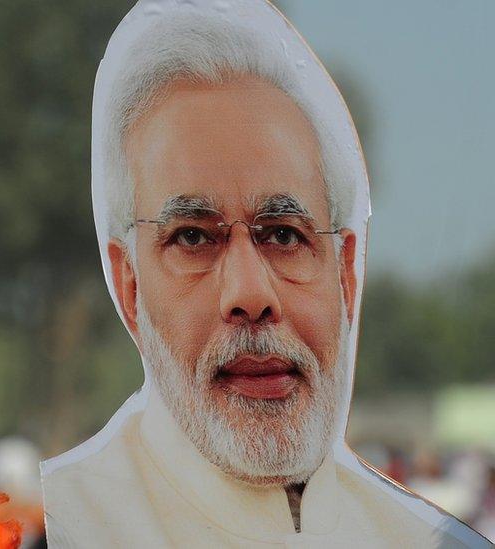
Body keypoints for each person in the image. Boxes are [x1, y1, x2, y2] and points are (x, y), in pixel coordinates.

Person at [39, 2, 490, 547]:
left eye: (283, 235)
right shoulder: (57, 529)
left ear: (346, 275)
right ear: (129, 282)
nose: (251, 295)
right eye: (193, 237)